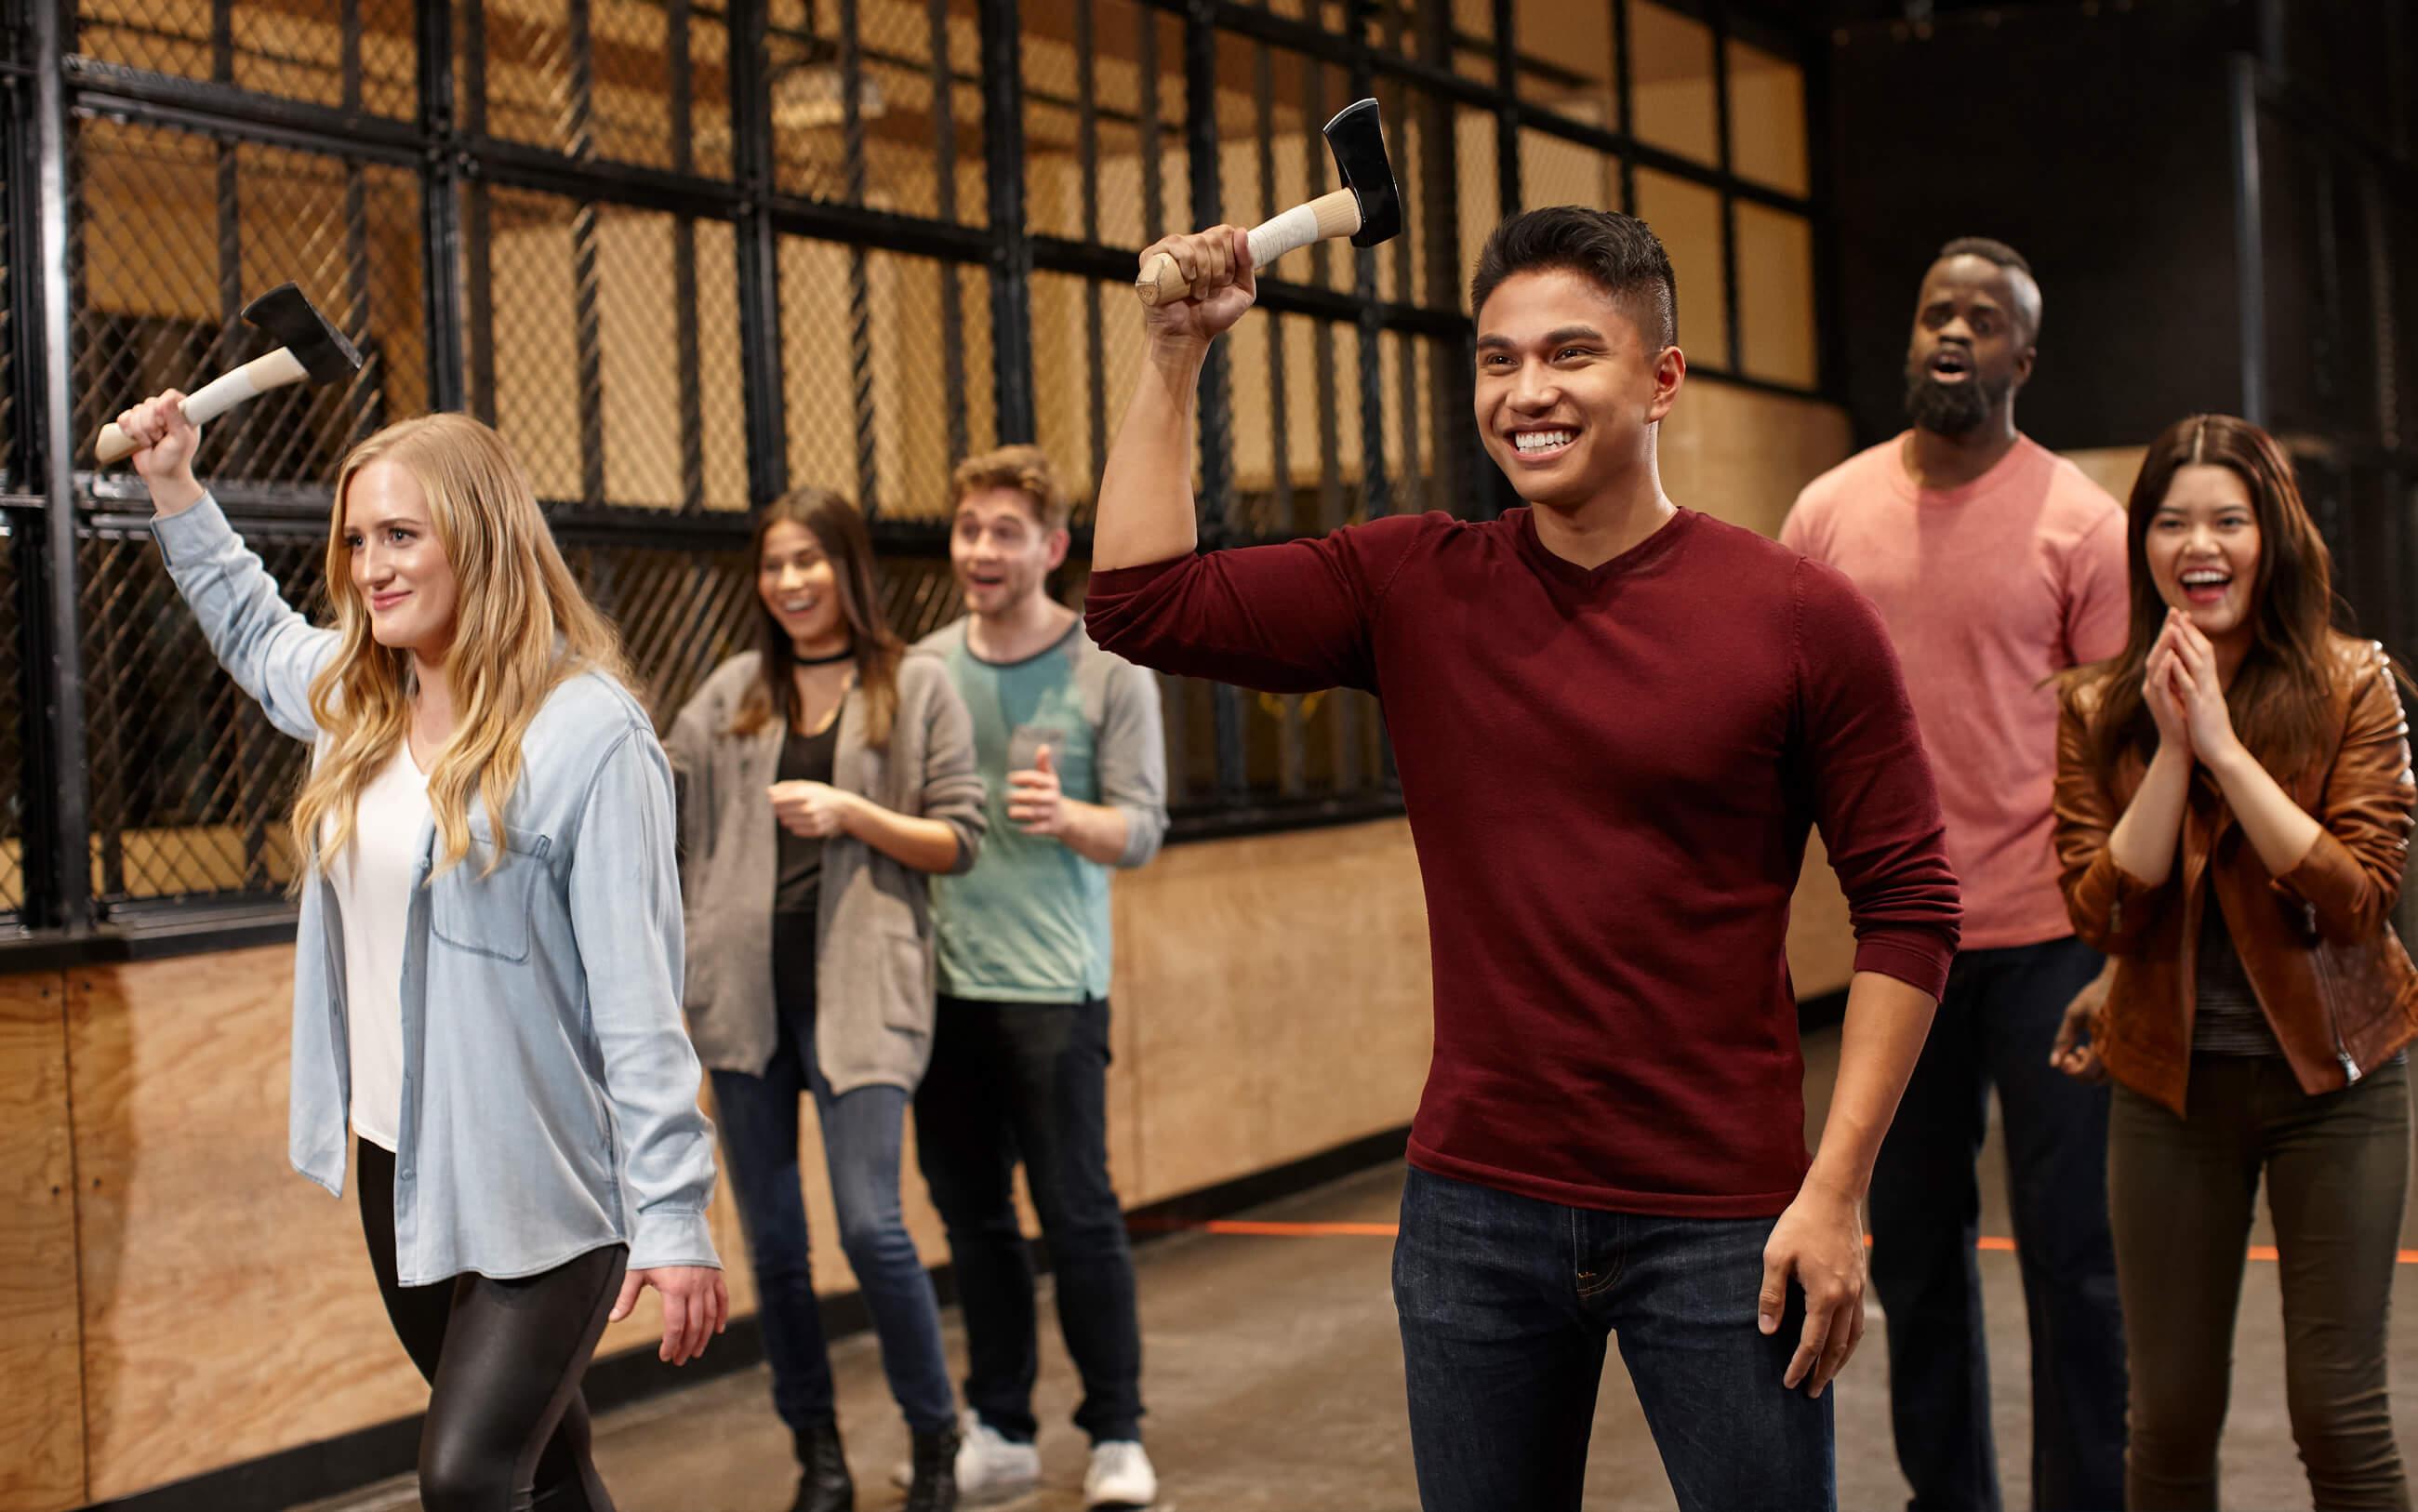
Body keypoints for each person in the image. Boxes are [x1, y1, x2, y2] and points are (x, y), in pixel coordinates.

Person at [1083, 206, 1961, 1512]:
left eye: (1569, 354)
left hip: (1725, 1218)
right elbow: (1140, 601)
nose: (1527, 393)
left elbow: (1909, 906)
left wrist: (1835, 1190)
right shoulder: (1415, 584)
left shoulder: (1793, 615)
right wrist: (1171, 356)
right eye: (1498, 361)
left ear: (1661, 379)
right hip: (1475, 1212)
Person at [113, 395, 727, 1512]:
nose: (369, 568)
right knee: (542, 1467)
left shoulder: (588, 734)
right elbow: (255, 633)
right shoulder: (361, 704)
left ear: (479, 535)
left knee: (465, 1477)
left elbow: (638, 1005)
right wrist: (174, 485)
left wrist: (675, 1216)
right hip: (400, 1163)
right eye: (356, 541)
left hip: (544, 1178)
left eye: (401, 535)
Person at [1779, 236, 2129, 1511]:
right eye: (1938, 311)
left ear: (2022, 358)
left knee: (2076, 1259)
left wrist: (2121, 941)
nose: (1954, 332)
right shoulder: (1827, 513)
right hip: (1898, 950)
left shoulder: (2084, 523)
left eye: (1984, 320)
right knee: (1914, 1255)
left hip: (2051, 940)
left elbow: (2119, 749)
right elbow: (1781, 710)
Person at [2049, 413, 2416, 1511]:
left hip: (2335, 1084)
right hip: (2167, 1088)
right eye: (2169, 522)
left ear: (2272, 537)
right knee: (2163, 1423)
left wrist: (2219, 745)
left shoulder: (2353, 682)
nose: (2196, 545)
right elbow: (2101, 914)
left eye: (2226, 519)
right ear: (2142, 544)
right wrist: (2168, 745)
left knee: (2337, 1417)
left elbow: (2358, 899)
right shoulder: (2093, 705)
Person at [667, 487, 986, 1512]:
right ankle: (819, 1455)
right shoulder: (728, 695)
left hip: (862, 993)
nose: (791, 581)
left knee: (869, 1228)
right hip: (742, 1004)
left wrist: (852, 812)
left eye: (809, 559)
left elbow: (959, 839)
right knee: (773, 1247)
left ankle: (936, 1441)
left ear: (846, 567)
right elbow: (654, 801)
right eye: (774, 564)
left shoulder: (915, 686)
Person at [910, 444, 1168, 1509]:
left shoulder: (1107, 666)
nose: (980, 550)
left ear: (1053, 547)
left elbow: (1145, 828)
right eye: (968, 529)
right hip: (938, 989)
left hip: (1055, 990)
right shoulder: (922, 668)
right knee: (971, 1220)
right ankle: (1000, 1425)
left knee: (1076, 1213)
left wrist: (1068, 821)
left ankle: (1115, 1432)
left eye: (1004, 532)